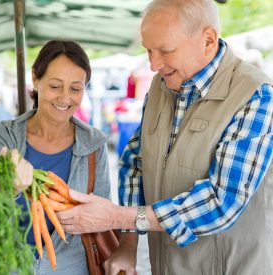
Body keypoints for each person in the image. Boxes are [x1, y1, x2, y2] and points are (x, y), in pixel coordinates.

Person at [56, 0, 273, 274]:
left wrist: (116, 216)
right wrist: (128, 244)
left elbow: (222, 201)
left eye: (165, 51)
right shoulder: (161, 86)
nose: (153, 64)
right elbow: (136, 163)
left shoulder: (256, 94)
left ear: (208, 40)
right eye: (148, 50)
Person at [0, 40, 111, 274]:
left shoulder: (94, 144)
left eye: (75, 89)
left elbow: (103, 216)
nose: (65, 98)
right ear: (35, 79)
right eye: (55, 86)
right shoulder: (4, 137)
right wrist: (7, 190)